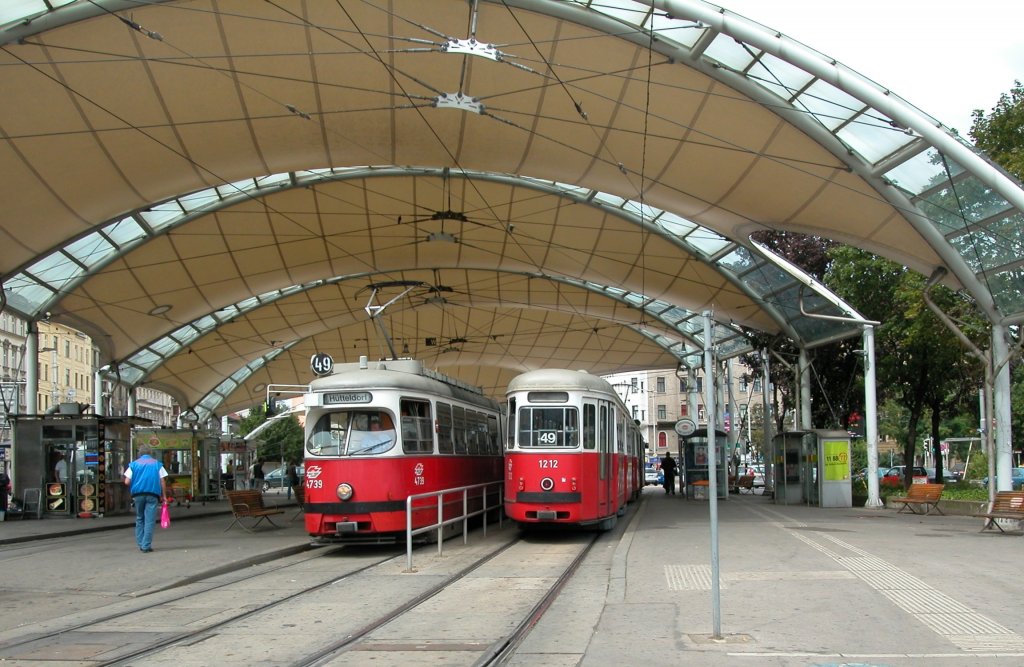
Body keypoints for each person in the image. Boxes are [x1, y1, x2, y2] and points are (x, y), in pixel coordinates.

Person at [123, 444, 169, 553]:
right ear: (150, 453)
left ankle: (141, 543)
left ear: (139, 453)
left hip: (138, 495)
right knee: (149, 521)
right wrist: (164, 496)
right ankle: (146, 545)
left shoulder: (133, 465)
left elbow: (126, 481)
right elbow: (162, 481)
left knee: (140, 518)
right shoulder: (157, 464)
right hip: (153, 495)